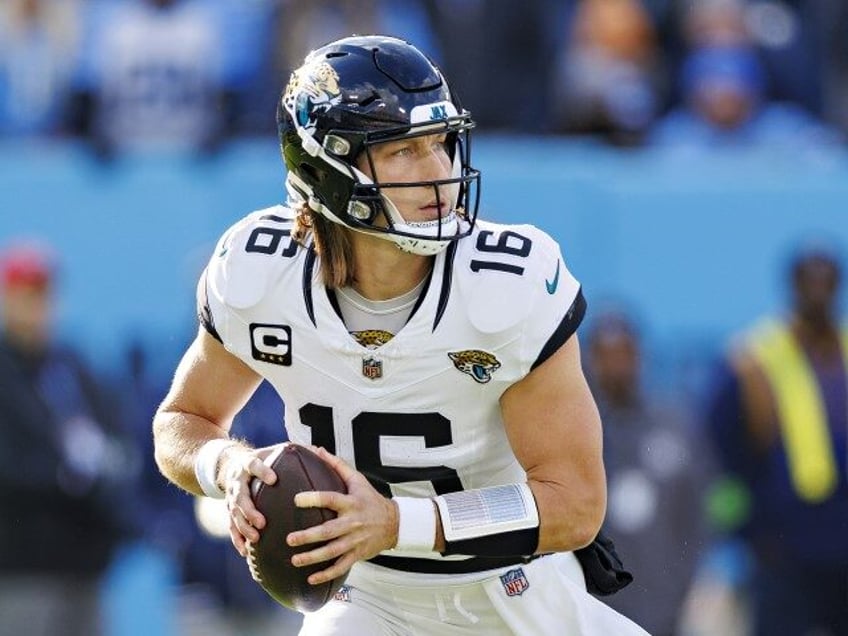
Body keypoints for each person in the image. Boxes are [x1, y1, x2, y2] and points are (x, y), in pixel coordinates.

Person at [153, 34, 647, 635]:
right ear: (329, 169)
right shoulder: (263, 271)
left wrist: (397, 522)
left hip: (512, 589)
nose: (440, 173)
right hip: (366, 598)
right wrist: (226, 467)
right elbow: (182, 420)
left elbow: (576, 503)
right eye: (404, 152)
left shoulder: (507, 284)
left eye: (440, 144)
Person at [705, 244, 848, 636]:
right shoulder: (752, 359)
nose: (818, 293)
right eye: (809, 283)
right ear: (792, 286)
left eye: (827, 283)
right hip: (785, 548)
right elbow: (720, 457)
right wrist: (749, 534)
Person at [0, 241, 138, 636]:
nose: (36, 307)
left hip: (84, 565)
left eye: (42, 295)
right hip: (20, 569)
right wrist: (67, 473)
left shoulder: (71, 365)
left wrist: (101, 471)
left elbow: (113, 438)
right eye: (25, 296)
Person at [586, 309, 715, 636]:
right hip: (590, 607)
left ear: (640, 356)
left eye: (624, 354)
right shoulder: (573, 431)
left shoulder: (674, 426)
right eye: (605, 356)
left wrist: (682, 579)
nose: (616, 367)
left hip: (662, 604)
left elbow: (701, 509)